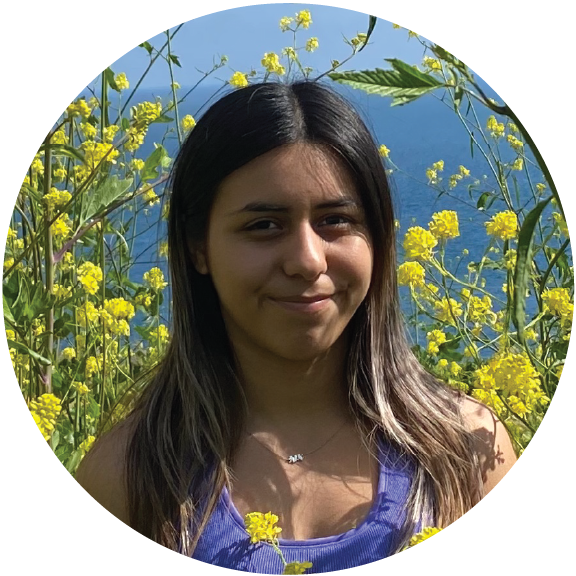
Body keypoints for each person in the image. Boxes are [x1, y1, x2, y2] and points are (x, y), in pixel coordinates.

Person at [75, 80, 517, 572]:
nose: (307, 261)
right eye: (264, 225)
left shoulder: (465, 454)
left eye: (335, 221)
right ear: (198, 247)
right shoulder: (130, 476)